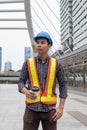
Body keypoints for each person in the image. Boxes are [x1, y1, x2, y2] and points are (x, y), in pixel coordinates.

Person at [18, 31, 67, 130]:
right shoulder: (28, 63)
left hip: (50, 111)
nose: (39, 45)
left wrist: (60, 108)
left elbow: (63, 85)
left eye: (42, 42)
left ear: (49, 45)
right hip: (31, 109)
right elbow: (20, 82)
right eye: (38, 43)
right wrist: (25, 91)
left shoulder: (57, 64)